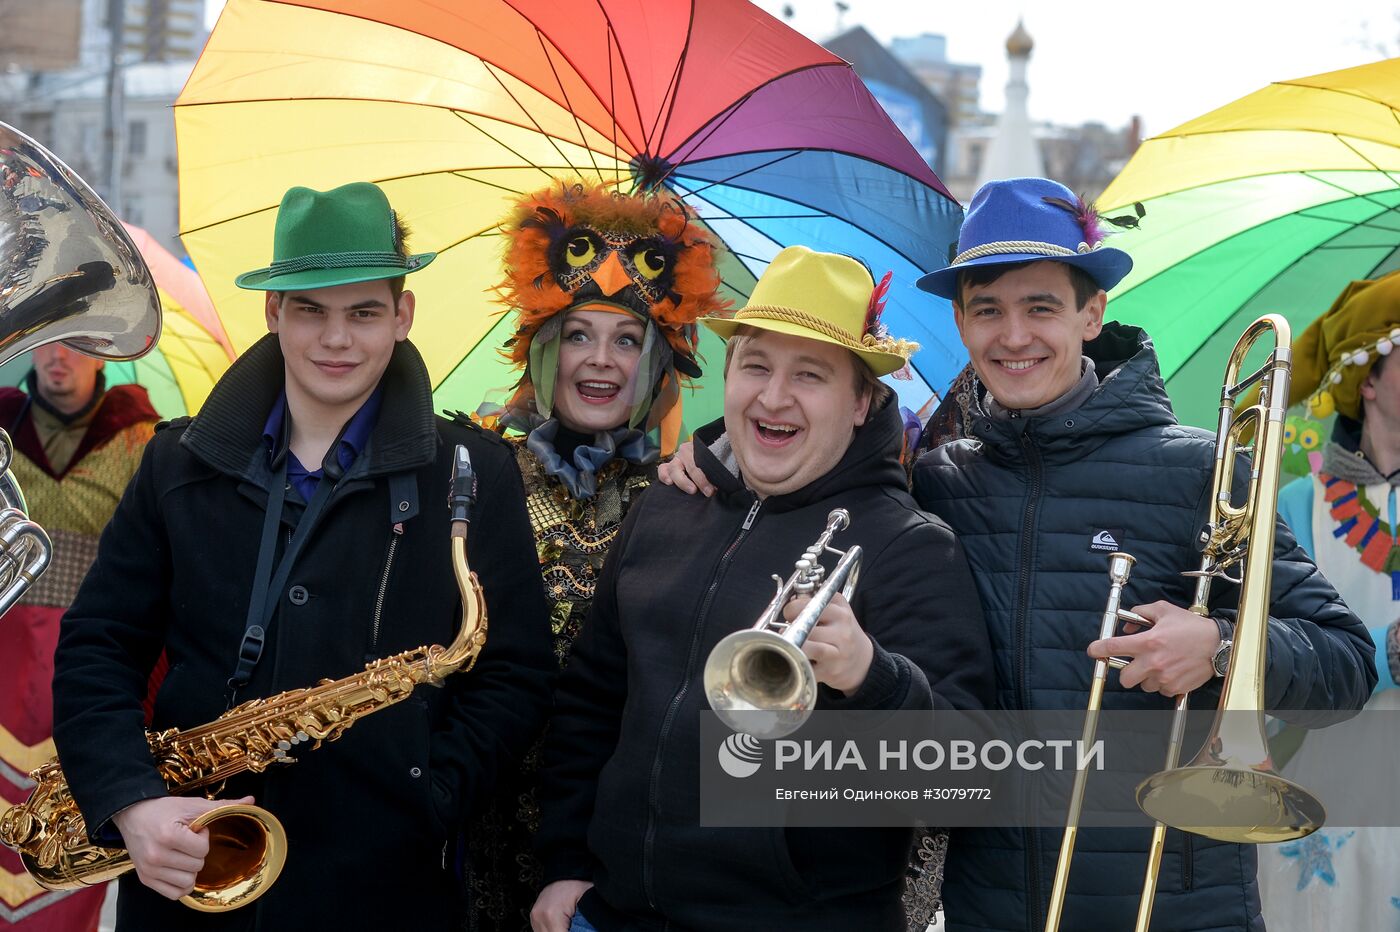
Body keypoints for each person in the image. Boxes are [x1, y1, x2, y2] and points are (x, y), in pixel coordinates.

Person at [48, 182, 554, 931]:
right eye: (310, 309)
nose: (336, 340)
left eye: (364, 312)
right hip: (189, 878)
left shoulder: (473, 473)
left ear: (402, 316)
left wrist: (430, 792)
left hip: (385, 893)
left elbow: (514, 674)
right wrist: (132, 800)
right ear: (273, 312)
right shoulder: (175, 464)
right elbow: (98, 646)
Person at [908, 177, 1376, 931]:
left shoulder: (1200, 469)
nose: (1014, 335)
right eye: (987, 310)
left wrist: (1221, 646)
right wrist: (707, 461)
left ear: (1092, 314)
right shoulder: (936, 480)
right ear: (961, 323)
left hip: (1177, 903)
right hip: (993, 906)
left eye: (1041, 307)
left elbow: (1346, 665)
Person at [530, 245, 994, 932]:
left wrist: (874, 678)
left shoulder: (911, 546)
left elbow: (966, 783)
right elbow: (593, 703)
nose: (773, 397)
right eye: (755, 366)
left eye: (810, 375)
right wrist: (566, 862)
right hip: (613, 913)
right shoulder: (665, 504)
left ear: (862, 400)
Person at [465, 182, 727, 932]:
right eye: (579, 334)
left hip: (609, 850)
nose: (600, 361)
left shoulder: (690, 496)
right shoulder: (475, 477)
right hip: (470, 824)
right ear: (546, 347)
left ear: (658, 360)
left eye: (627, 340)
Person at [1254, 270, 1400, 931]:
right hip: (1326, 800)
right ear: (1368, 378)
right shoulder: (1297, 506)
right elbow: (1280, 660)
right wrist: (1387, 652)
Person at [0, 346, 158, 931]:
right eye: (46, 337)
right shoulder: (1, 422)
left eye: (77, 342)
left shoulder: (144, 438)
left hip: (91, 674)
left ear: (104, 356)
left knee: (68, 840)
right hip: (0, 662)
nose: (57, 355)